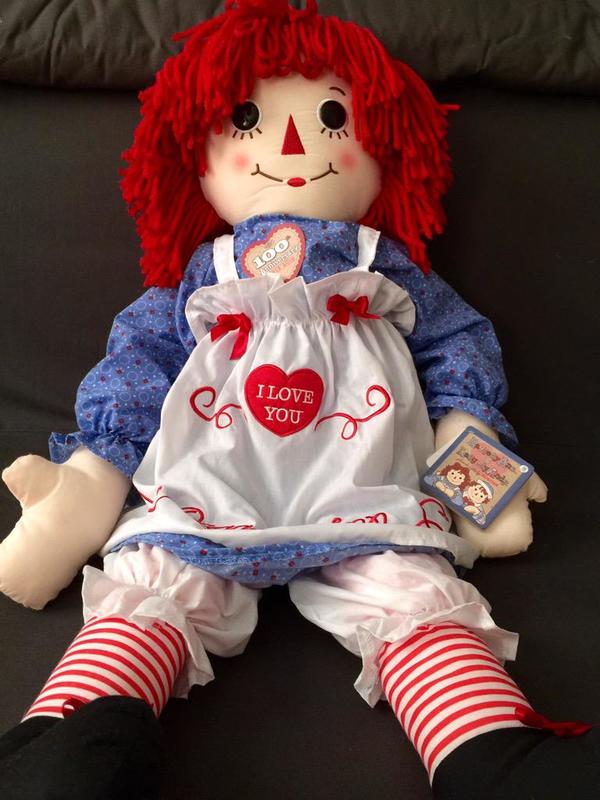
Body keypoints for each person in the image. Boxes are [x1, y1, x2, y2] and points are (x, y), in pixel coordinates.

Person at [1, 2, 597, 799]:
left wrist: (475, 474)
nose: (288, 145)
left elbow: (457, 355)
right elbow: (137, 368)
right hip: (211, 483)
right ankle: (65, 748)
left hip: (366, 484)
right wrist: (92, 476)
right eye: (247, 121)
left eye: (330, 118)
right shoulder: (205, 273)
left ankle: (495, 754)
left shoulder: (386, 266)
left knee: (412, 600)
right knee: (155, 588)